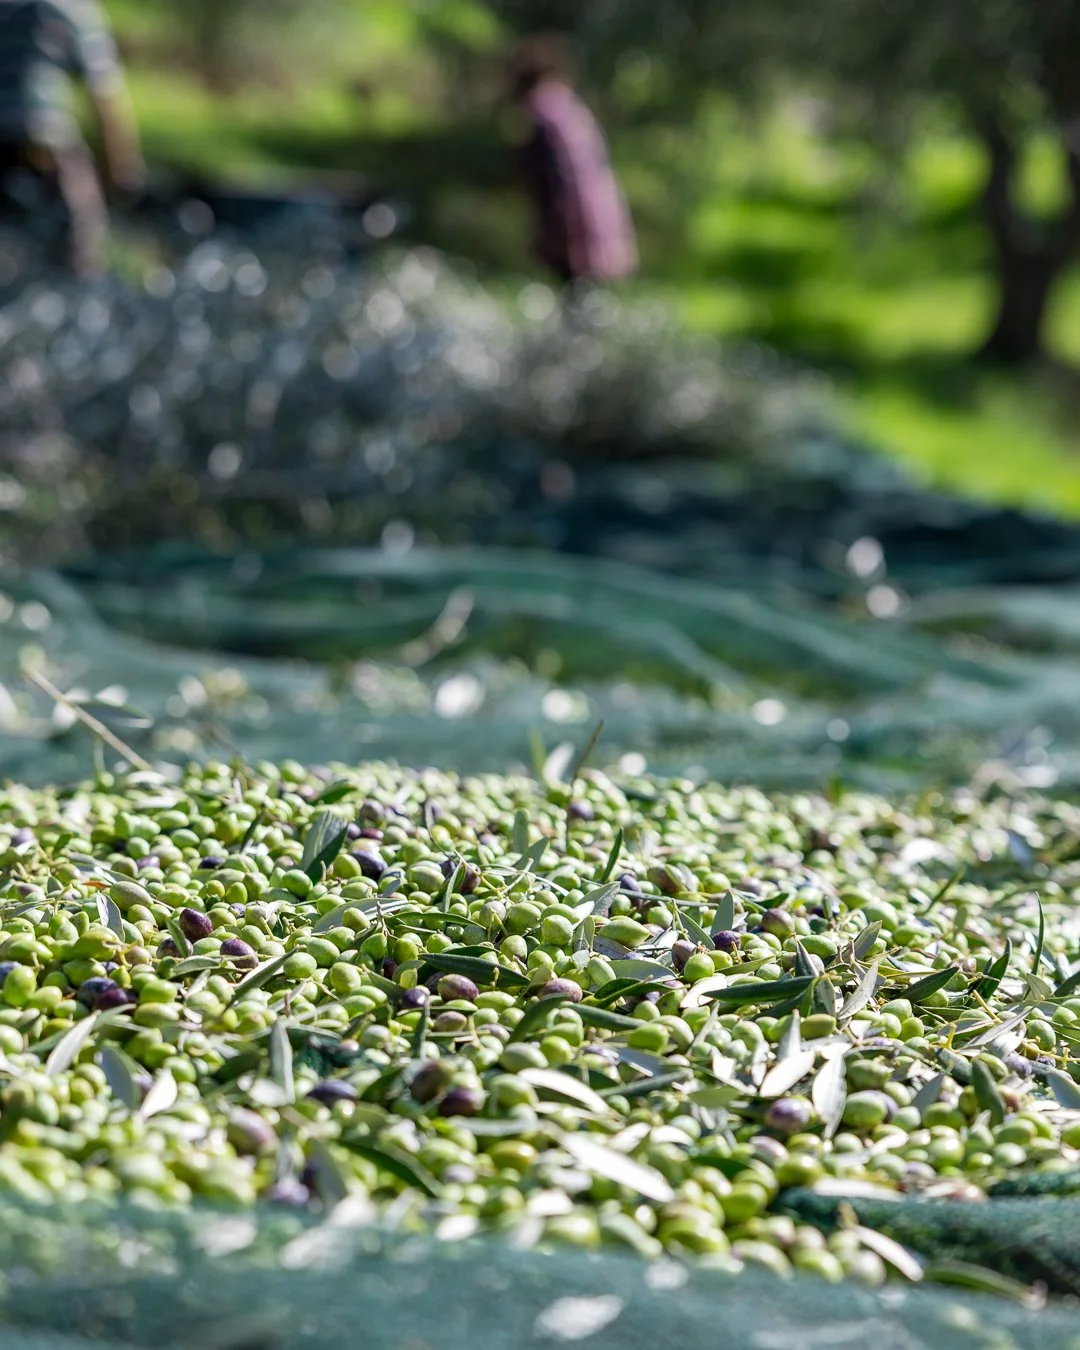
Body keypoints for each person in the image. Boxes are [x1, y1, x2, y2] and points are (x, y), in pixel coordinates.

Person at [0, 0, 143, 277]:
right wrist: (122, 172)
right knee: (81, 247)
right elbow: (105, 98)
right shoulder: (74, 10)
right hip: (46, 143)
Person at [509, 33, 637, 288]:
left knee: (576, 297)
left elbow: (556, 176)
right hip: (598, 215)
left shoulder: (543, 112)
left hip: (574, 226)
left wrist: (553, 233)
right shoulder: (568, 105)